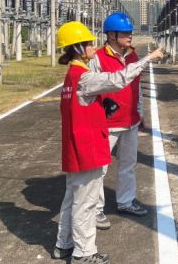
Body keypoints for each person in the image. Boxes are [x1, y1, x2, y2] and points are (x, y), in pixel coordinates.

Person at [52, 21, 163, 264]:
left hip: (77, 145)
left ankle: (64, 244)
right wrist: (148, 58)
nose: (93, 46)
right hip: (88, 147)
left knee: (72, 198)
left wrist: (102, 105)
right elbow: (119, 79)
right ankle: (84, 253)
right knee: (86, 203)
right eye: (88, 43)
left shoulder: (73, 76)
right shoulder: (83, 77)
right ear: (78, 48)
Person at [90, 12, 148, 231]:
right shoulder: (98, 58)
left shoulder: (133, 56)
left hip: (130, 120)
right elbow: (90, 87)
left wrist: (140, 112)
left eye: (130, 32)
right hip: (107, 123)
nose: (130, 36)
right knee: (99, 168)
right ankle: (96, 210)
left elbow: (136, 87)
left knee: (128, 164)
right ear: (112, 35)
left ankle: (126, 201)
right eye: (125, 33)